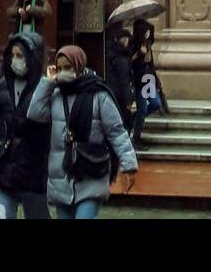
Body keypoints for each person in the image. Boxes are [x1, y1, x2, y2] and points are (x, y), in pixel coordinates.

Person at [27, 45, 137, 219]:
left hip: (90, 173)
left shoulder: (99, 95)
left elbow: (116, 132)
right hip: (61, 178)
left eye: (68, 67)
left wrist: (129, 165)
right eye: (60, 68)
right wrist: (47, 82)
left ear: (79, 66)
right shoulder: (56, 94)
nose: (64, 72)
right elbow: (34, 113)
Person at [0, 32, 50, 219]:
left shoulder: (45, 90)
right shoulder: (3, 86)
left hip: (34, 175)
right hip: (4, 170)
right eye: (13, 55)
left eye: (21, 56)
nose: (15, 61)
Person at [130, 19, 167, 150]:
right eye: (145, 31)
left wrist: (156, 79)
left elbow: (151, 64)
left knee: (155, 103)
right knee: (142, 109)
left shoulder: (148, 44)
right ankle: (136, 137)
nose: (147, 33)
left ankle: (133, 119)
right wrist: (139, 53)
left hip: (148, 78)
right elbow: (129, 62)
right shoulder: (133, 44)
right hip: (138, 80)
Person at [105, 27, 137, 132]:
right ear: (124, 40)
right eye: (127, 39)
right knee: (125, 123)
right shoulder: (121, 58)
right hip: (121, 95)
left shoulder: (113, 53)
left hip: (113, 92)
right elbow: (124, 81)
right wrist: (129, 100)